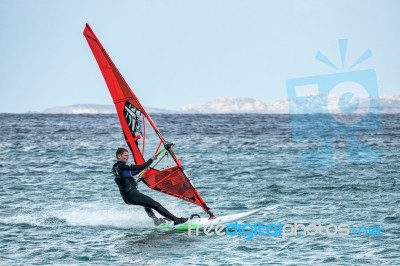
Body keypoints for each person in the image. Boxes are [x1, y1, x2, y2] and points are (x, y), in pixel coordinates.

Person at [112, 147, 188, 226]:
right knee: (156, 205)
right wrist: (151, 159)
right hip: (132, 195)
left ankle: (156, 220)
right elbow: (140, 167)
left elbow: (130, 174)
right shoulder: (121, 166)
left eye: (128, 155)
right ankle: (176, 220)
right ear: (119, 156)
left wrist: (143, 171)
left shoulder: (116, 168)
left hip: (127, 197)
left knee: (146, 204)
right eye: (125, 155)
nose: (127, 157)